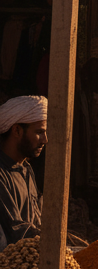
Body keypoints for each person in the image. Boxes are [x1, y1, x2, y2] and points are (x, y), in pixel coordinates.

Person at [0, 95, 47, 250]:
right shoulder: (2, 173)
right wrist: (53, 238)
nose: (45, 139)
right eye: (39, 132)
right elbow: (15, 229)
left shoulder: (26, 169)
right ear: (17, 130)